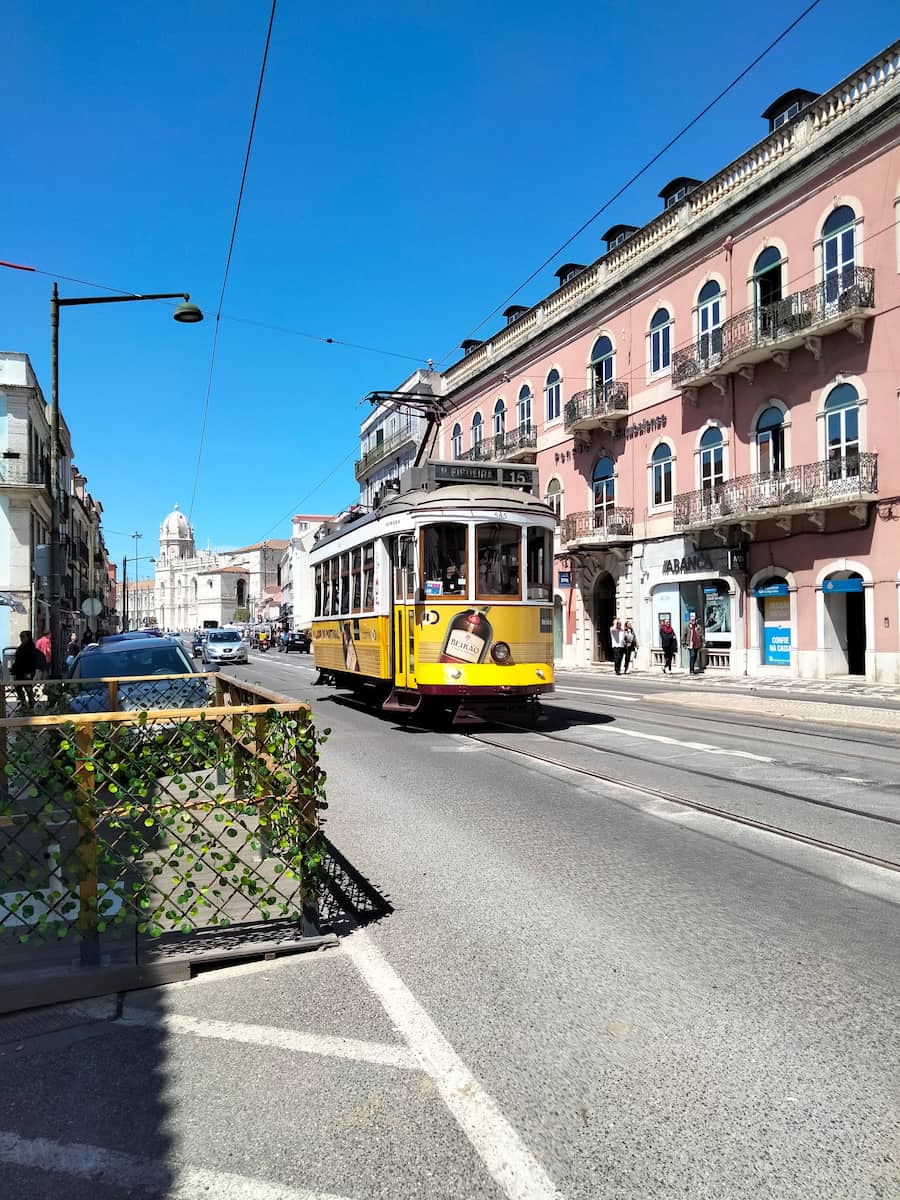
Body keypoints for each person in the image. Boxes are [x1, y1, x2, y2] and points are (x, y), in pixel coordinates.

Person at [11, 630, 45, 710]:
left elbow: (35, 660)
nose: (21, 638)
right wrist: (13, 672)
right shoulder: (20, 648)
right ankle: (23, 703)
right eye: (20, 636)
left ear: (28, 637)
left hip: (28, 672)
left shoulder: (31, 648)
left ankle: (31, 703)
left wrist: (36, 673)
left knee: (28, 688)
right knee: (18, 688)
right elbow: (17, 661)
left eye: (23, 636)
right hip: (19, 672)